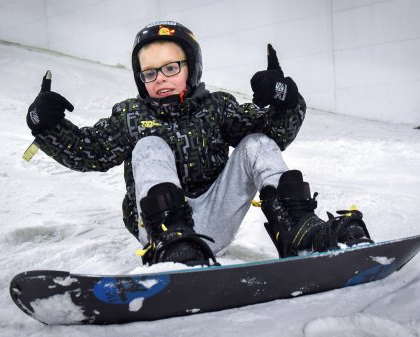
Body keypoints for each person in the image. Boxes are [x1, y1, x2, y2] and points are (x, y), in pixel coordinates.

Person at [26, 21, 372, 267]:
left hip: (214, 218)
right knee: (149, 146)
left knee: (255, 141)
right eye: (149, 73)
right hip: (159, 230)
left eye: (170, 68)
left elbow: (274, 134)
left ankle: (299, 231)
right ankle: (173, 243)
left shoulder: (217, 107)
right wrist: (47, 125)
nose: (160, 79)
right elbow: (91, 151)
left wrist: (284, 98)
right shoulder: (131, 115)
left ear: (192, 68)